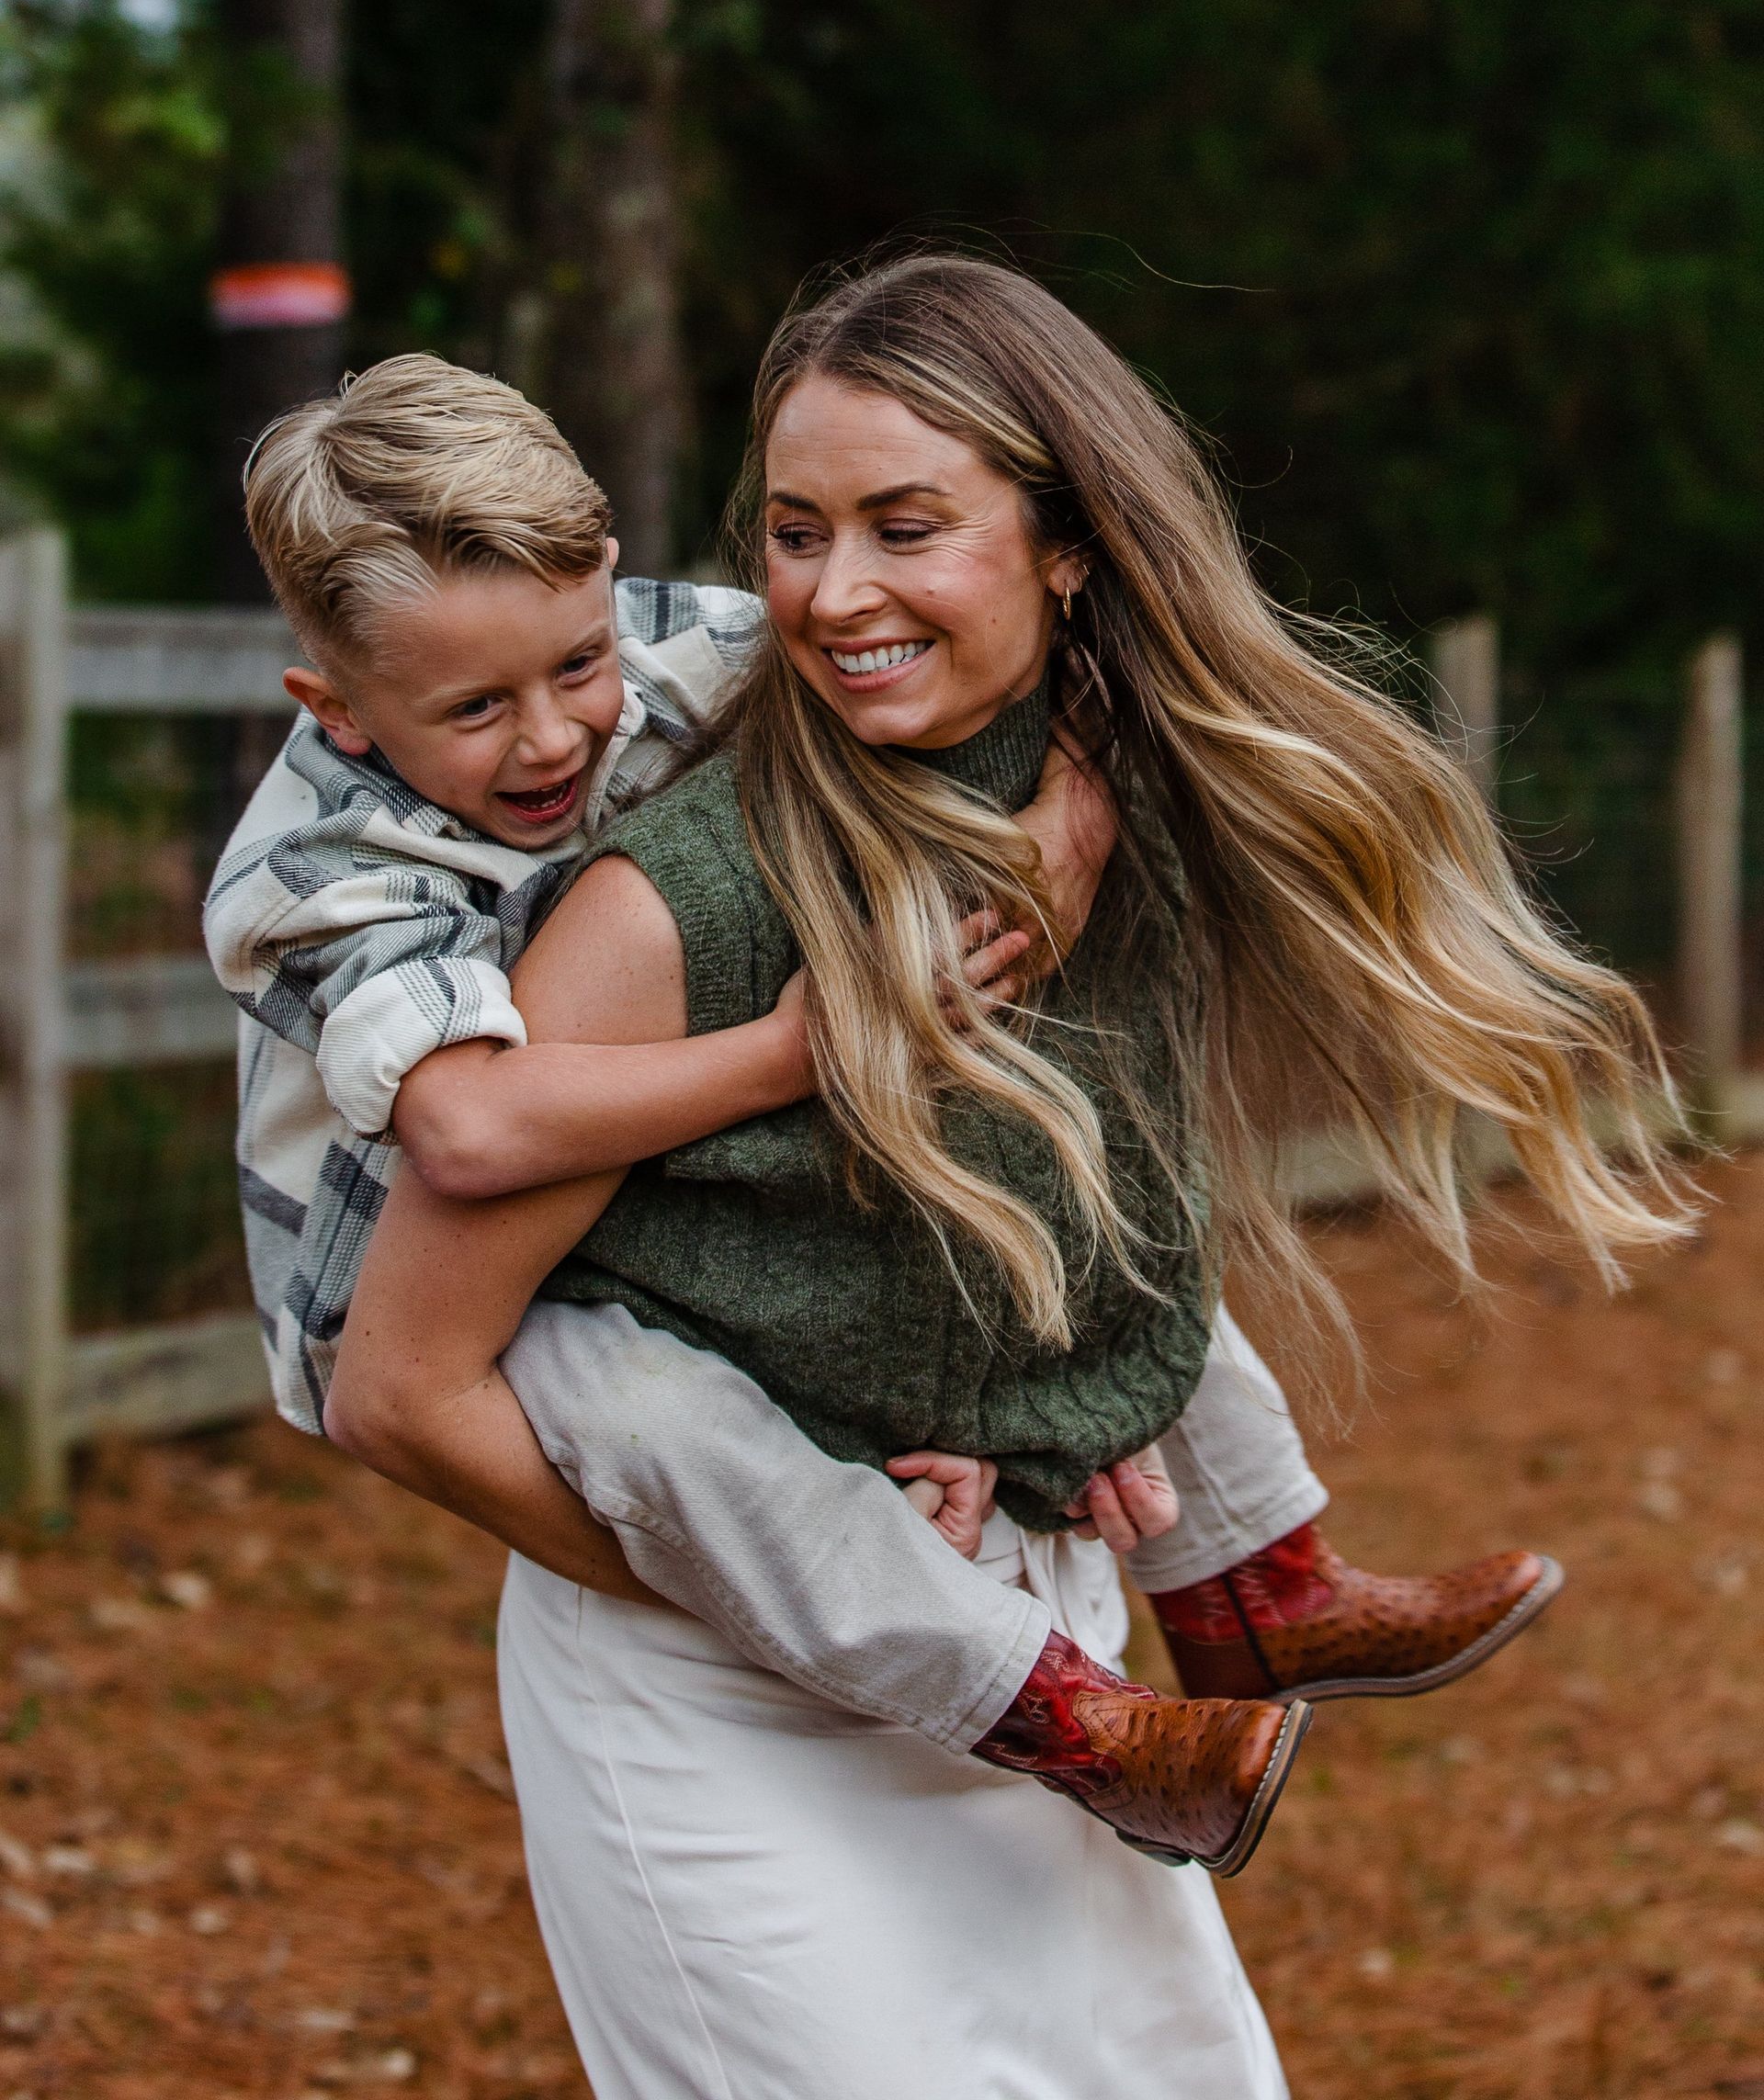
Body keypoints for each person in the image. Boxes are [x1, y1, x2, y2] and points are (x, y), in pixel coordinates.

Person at [325, 256, 1681, 2098]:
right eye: (796, 532)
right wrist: (780, 1565)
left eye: (905, 524)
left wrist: (1030, 1398)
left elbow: (1026, 1182)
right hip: (728, 1704)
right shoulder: (670, 906)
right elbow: (399, 1387)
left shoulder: (1096, 798)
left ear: (1066, 545)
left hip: (1054, 1661)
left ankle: (1258, 1587)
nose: (833, 590)